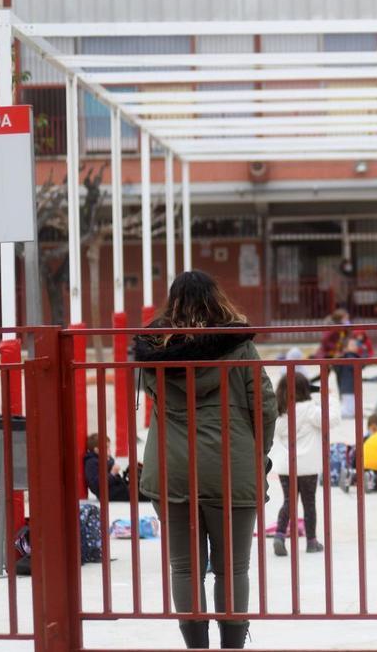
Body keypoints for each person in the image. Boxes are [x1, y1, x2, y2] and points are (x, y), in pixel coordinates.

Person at [134, 270, 277, 650]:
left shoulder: (154, 351)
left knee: (185, 567)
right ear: (218, 299)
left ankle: (196, 646)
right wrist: (256, 455)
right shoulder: (239, 346)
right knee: (233, 568)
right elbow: (264, 406)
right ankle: (232, 646)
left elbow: (154, 397)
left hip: (172, 470)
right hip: (232, 468)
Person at [271, 372, 336, 556]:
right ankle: (311, 541)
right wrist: (330, 396)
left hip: (286, 465)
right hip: (308, 465)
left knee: (288, 501)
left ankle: (279, 535)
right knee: (309, 502)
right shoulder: (310, 410)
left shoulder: (280, 412)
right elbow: (332, 419)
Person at [83, 434, 140, 502]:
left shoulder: (107, 459)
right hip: (109, 494)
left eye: (109, 447)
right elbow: (97, 484)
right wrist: (112, 474)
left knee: (137, 483)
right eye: (107, 447)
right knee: (137, 492)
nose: (109, 450)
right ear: (97, 450)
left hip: (117, 488)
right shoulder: (91, 463)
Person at [337, 336, 363, 419]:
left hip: (350, 387)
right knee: (349, 412)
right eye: (352, 345)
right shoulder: (349, 357)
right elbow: (356, 366)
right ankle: (332, 413)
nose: (355, 346)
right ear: (346, 348)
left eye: (355, 344)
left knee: (352, 410)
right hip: (348, 388)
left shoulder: (353, 356)